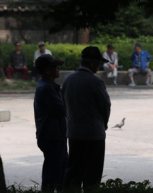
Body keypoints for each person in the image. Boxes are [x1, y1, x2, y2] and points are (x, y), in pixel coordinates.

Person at [62, 46, 111, 192]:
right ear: (92, 63)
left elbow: (64, 103)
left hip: (75, 132)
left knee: (74, 171)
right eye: (98, 63)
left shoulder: (68, 80)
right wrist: (104, 124)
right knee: (92, 175)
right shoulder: (95, 82)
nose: (98, 66)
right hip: (94, 134)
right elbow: (105, 106)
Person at [33, 54, 68, 192]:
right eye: (55, 67)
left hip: (54, 134)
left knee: (59, 170)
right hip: (52, 136)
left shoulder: (49, 86)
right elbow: (62, 109)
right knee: (53, 173)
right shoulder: (47, 88)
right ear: (47, 70)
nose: (58, 68)